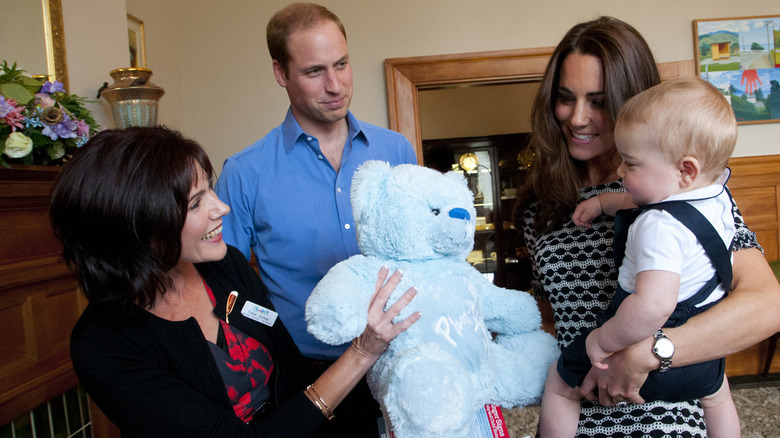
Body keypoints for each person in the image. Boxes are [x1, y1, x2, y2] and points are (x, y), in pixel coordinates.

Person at [50, 126, 420, 438]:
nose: (221, 208)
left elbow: (290, 372)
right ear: (139, 227)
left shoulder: (226, 266)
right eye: (196, 204)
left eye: (209, 190)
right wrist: (361, 352)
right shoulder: (103, 344)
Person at [514, 16, 780, 437]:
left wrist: (651, 353)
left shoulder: (672, 189)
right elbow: (553, 315)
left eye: (599, 101)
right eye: (566, 98)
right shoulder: (540, 207)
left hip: (664, 417)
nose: (577, 117)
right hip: (578, 415)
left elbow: (768, 304)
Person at [215, 3, 417, 435]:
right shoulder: (244, 173)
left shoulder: (397, 151)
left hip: (404, 358)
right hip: (309, 378)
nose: (335, 85)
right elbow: (223, 284)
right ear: (280, 73)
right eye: (314, 72)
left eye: (342, 64)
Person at [539, 77, 741, 437]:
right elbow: (648, 195)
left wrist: (602, 341)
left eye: (630, 165)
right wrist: (603, 203)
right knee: (719, 397)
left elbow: (652, 306)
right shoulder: (713, 195)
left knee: (558, 383)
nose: (620, 172)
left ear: (686, 170)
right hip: (701, 356)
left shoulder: (658, 226)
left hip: (646, 347)